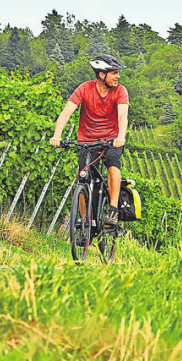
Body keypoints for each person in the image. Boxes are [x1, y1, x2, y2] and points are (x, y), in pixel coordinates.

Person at [50, 54, 129, 232]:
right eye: (114, 73)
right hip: (87, 140)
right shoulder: (84, 89)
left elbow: (123, 116)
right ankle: (85, 222)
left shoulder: (120, 91)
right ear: (102, 75)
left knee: (113, 166)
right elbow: (66, 113)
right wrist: (57, 135)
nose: (118, 76)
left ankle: (113, 210)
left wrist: (121, 136)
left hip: (112, 140)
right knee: (83, 178)